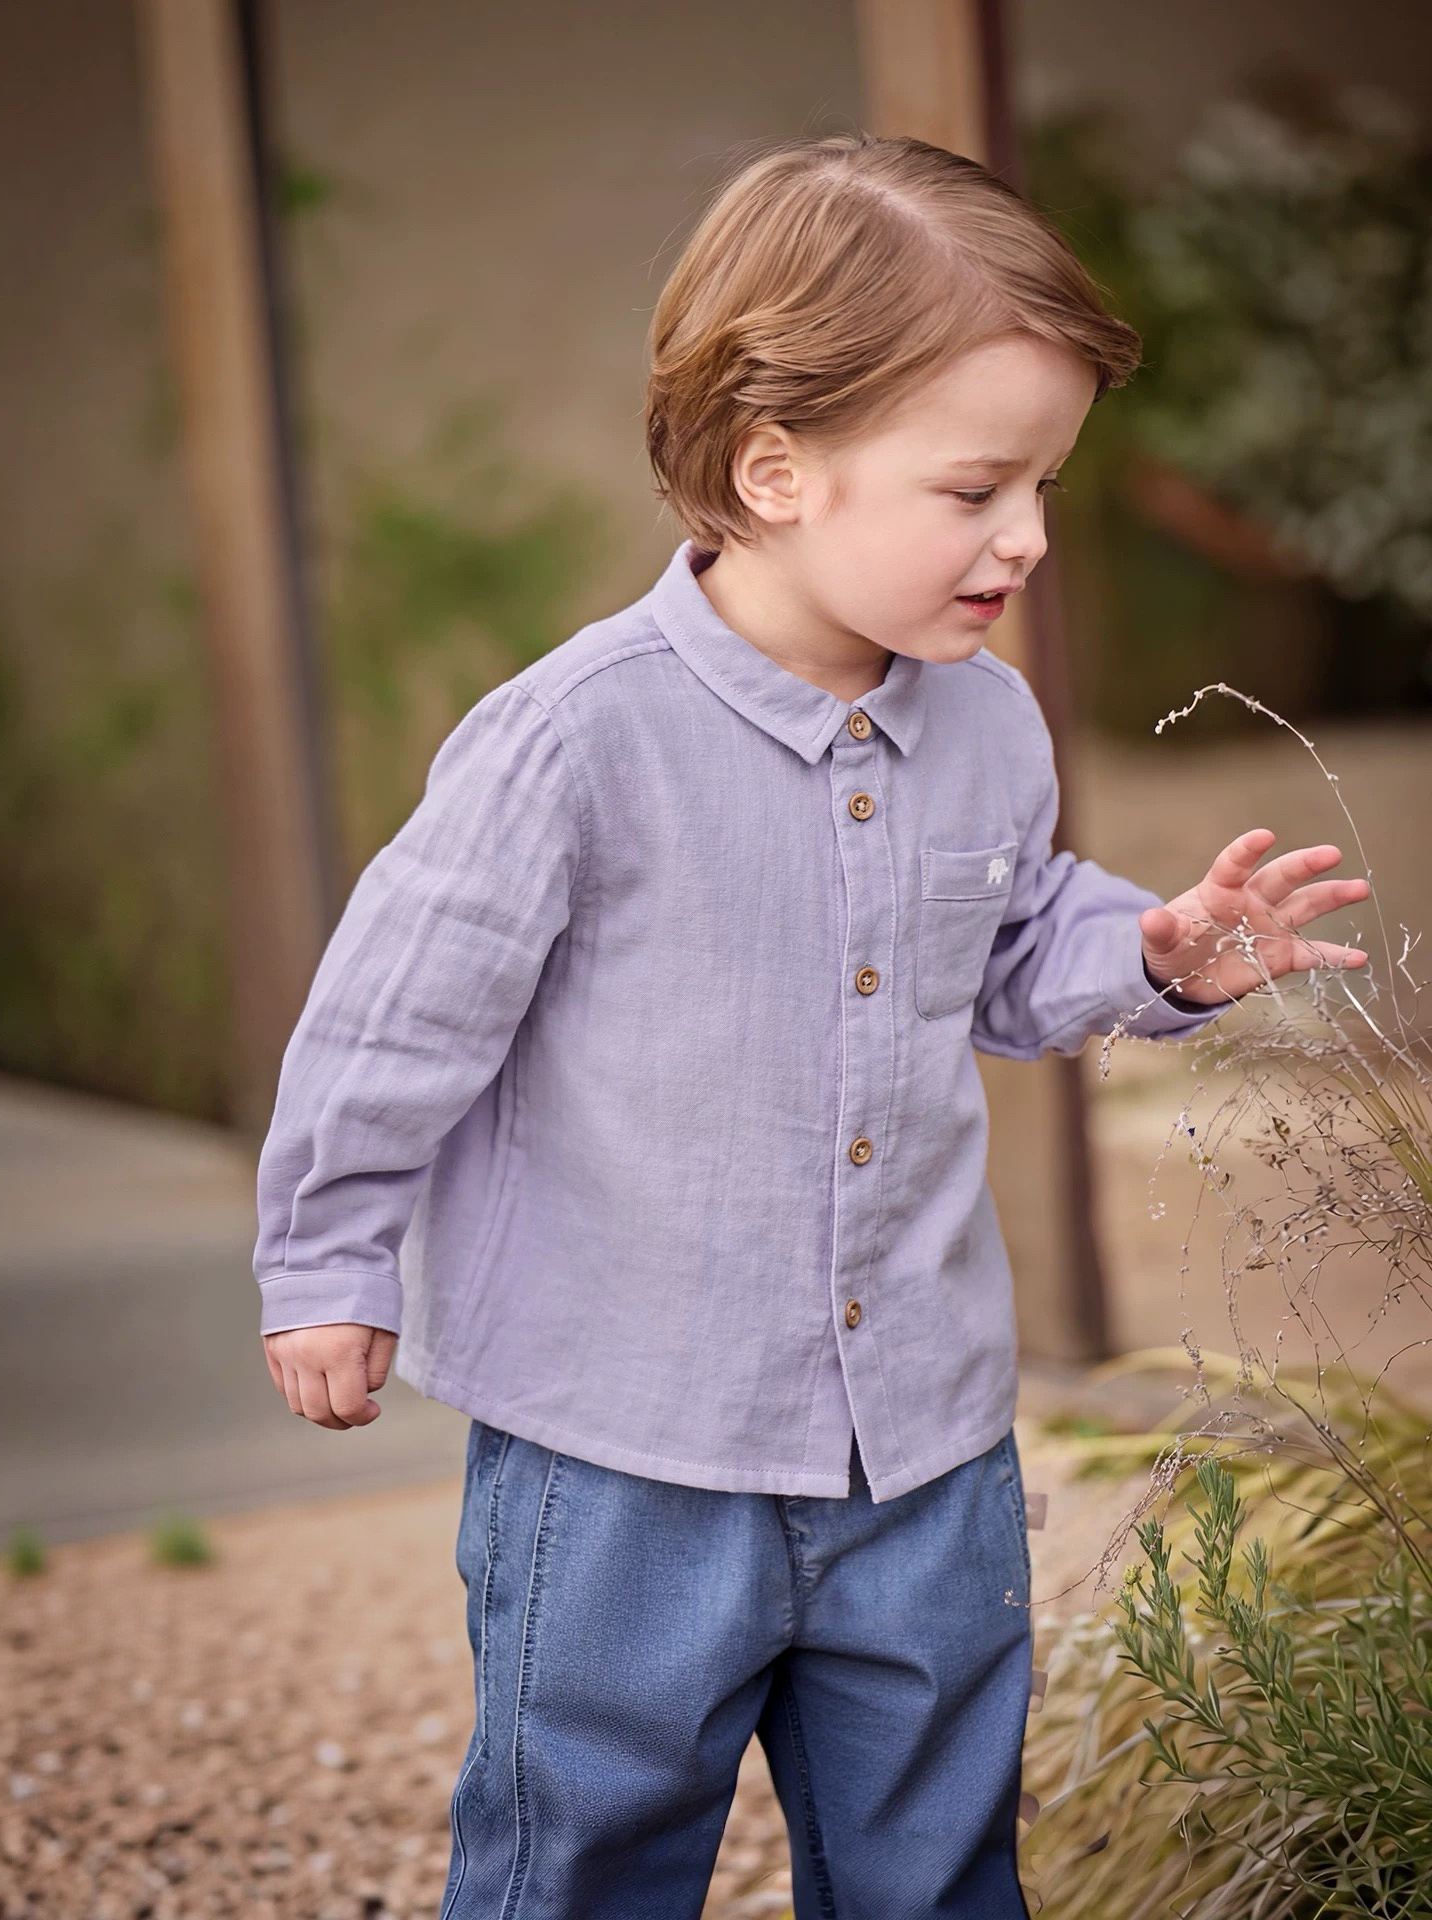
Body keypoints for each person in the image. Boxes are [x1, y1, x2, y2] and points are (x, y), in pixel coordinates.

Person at [254, 135, 1369, 1919]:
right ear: (775, 469)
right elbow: (396, 1017)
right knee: (585, 1853)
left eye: (1045, 483)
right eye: (977, 487)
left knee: (934, 1861)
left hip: (919, 1442)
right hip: (627, 1447)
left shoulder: (987, 722)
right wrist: (327, 1256)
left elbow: (1011, 942)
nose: (1028, 536)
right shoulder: (576, 742)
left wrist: (1154, 954)